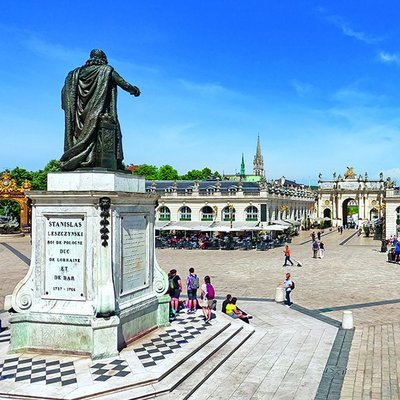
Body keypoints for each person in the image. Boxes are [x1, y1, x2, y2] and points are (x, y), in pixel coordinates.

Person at [60, 49, 141, 171]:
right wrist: (134, 90)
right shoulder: (106, 70)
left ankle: (81, 159)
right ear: (103, 58)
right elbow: (123, 83)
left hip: (79, 115)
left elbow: (64, 93)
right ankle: (106, 162)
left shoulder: (75, 73)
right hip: (99, 112)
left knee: (82, 136)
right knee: (111, 134)